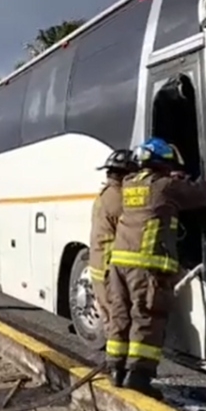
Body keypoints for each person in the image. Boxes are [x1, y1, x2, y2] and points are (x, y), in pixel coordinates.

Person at [106, 137, 206, 399]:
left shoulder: (129, 184)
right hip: (147, 266)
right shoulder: (168, 187)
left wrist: (172, 178)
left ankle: (116, 370)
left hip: (119, 264)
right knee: (147, 317)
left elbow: (157, 189)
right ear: (163, 163)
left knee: (121, 315)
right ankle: (139, 377)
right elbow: (202, 194)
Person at [88, 149, 137, 384]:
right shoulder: (118, 198)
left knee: (110, 317)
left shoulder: (105, 194)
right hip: (109, 267)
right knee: (118, 319)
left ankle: (115, 366)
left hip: (99, 266)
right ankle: (117, 369)